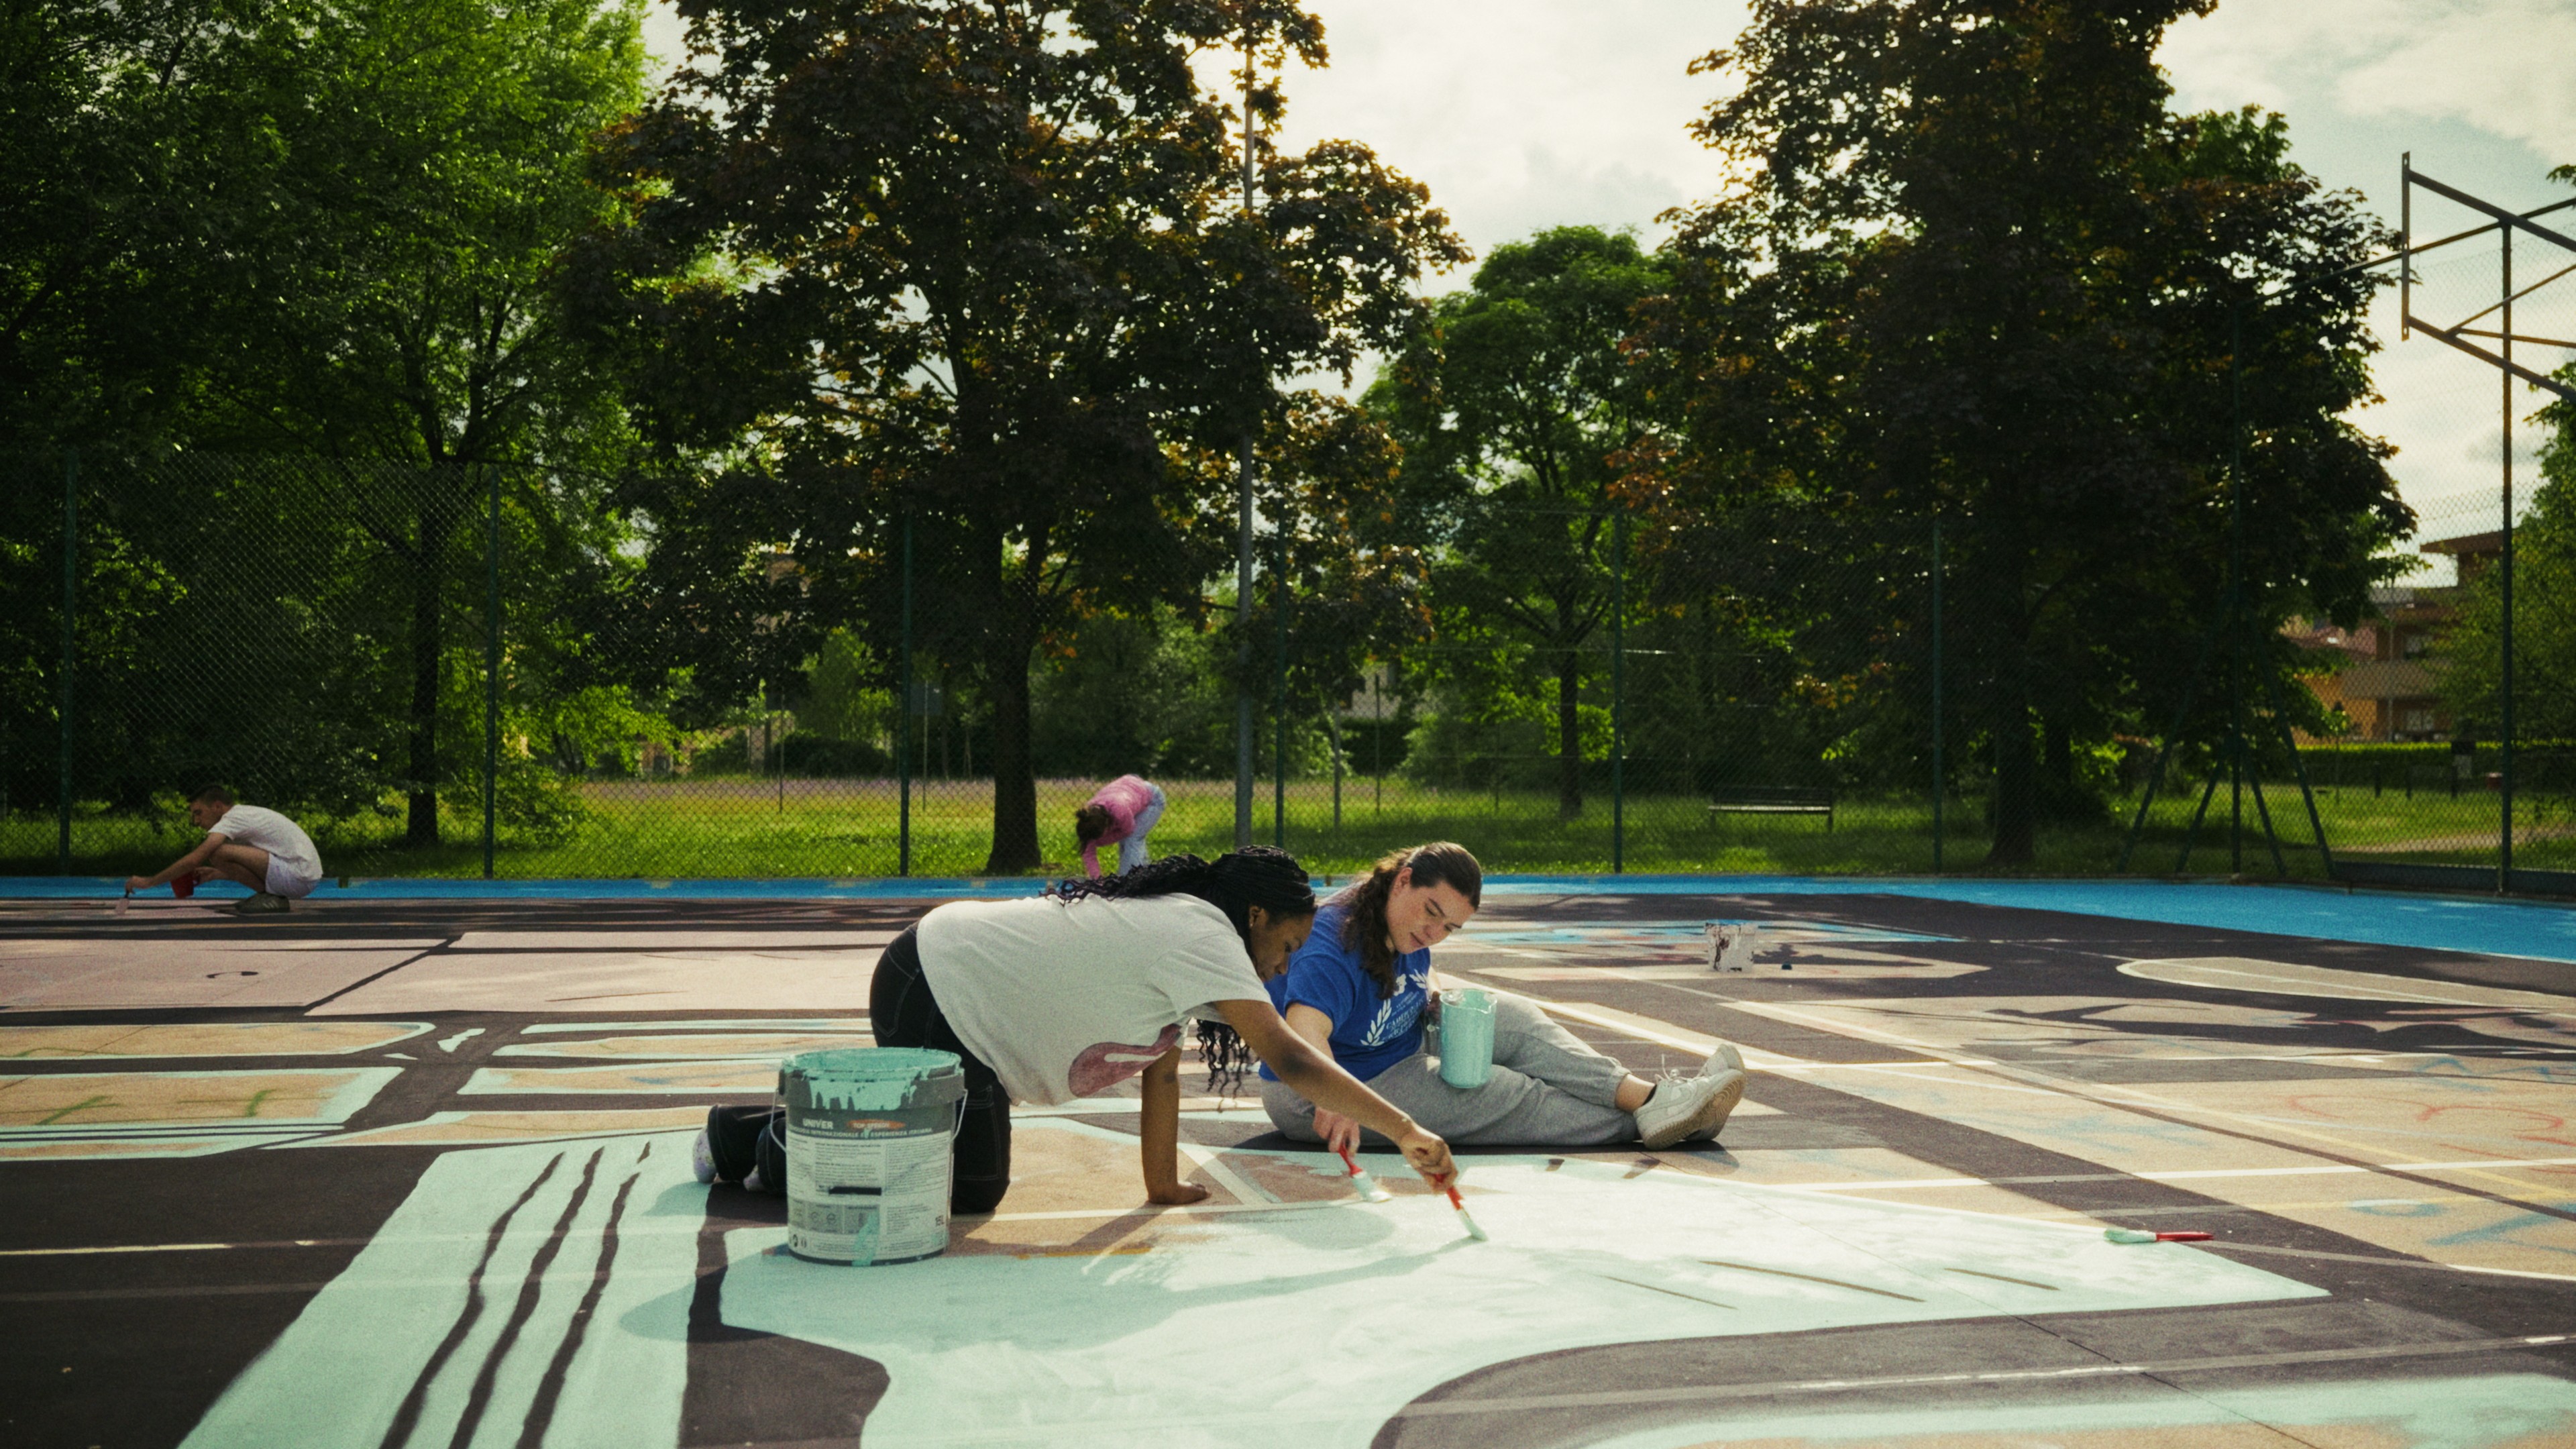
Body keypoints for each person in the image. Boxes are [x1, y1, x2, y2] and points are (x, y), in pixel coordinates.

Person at [869, 846, 1459, 1214]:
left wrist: (1163, 1187)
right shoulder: (1204, 936)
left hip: (954, 1001)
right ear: (1254, 917)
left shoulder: (1192, 943)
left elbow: (1163, 1074)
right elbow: (1294, 1059)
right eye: (1286, 947)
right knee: (971, 1192)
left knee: (965, 1175)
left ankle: (805, 1129)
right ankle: (784, 1144)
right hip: (931, 986)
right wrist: (1405, 1129)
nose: (1283, 968)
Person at [1257, 842, 1751, 1153]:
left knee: (1514, 1018)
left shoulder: (1395, 921)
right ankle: (1665, 1124)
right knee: (1507, 1094)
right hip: (1324, 1092)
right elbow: (1304, 1032)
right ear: (1403, 879)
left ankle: (1652, 1100)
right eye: (1431, 913)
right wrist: (1332, 1098)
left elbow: (1384, 990)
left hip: (1394, 1048)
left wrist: (1425, 1000)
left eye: (1450, 928)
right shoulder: (1332, 942)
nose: (1434, 933)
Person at [125, 786, 323, 916]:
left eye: (199, 813)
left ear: (218, 806)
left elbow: (195, 859)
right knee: (222, 854)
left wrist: (149, 882)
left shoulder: (233, 819)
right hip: (302, 876)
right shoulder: (245, 815)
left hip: (298, 876)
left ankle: (269, 897)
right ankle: (269, 896)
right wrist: (217, 874)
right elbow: (259, 860)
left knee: (217, 852)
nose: (196, 822)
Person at [1074, 773, 1165, 878]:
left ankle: (1131, 879)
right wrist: (1098, 881)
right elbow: (1089, 854)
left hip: (1152, 799)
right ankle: (1144, 874)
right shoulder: (1091, 817)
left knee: (1132, 838)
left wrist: (1100, 842)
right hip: (1132, 791)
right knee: (1129, 843)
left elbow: (1127, 831)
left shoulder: (1120, 811)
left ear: (1106, 826)